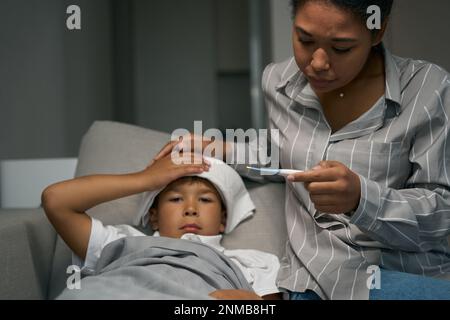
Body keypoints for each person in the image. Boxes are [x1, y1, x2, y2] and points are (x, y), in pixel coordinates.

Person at [155, 0, 450, 300]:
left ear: (378, 30)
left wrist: (361, 198)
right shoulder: (278, 82)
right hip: (315, 282)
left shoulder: (428, 87)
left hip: (407, 274)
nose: (318, 62)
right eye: (305, 40)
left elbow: (441, 215)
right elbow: (282, 151)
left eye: (341, 47)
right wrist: (218, 148)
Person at [42, 154, 281, 300]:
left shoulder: (252, 262)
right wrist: (145, 179)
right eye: (176, 199)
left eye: (205, 199)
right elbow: (56, 200)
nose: (190, 209)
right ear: (153, 217)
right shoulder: (122, 240)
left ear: (222, 220)